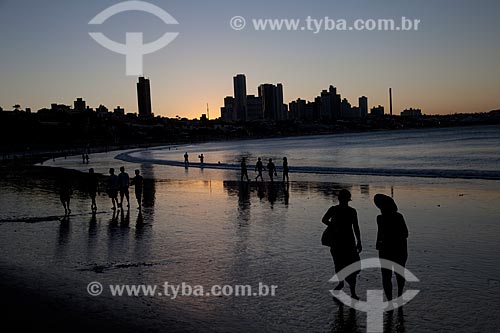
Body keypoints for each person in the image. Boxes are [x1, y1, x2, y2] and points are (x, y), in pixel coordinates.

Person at [322, 189, 362, 299]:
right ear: (348, 199)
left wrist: (333, 226)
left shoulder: (335, 209)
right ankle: (351, 291)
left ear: (339, 198)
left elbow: (324, 220)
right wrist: (359, 241)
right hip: (346, 241)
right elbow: (356, 228)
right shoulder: (351, 211)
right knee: (348, 265)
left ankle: (343, 284)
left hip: (340, 241)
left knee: (339, 264)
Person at [374, 194, 409, 300]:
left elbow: (380, 234)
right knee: (399, 273)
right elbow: (405, 233)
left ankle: (390, 299)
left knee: (386, 276)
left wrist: (379, 243)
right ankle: (399, 295)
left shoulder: (380, 218)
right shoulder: (398, 216)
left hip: (385, 249)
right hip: (399, 248)